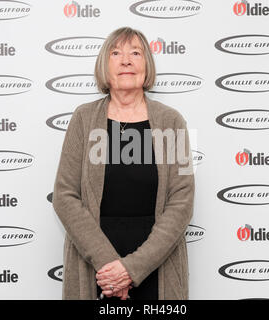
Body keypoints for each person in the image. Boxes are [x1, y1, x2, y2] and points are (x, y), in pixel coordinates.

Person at [52, 27, 195, 300]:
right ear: (105, 66)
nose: (126, 60)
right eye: (116, 53)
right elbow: (64, 196)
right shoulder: (83, 119)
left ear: (147, 65)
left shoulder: (172, 122)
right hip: (97, 268)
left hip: (157, 264)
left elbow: (182, 201)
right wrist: (111, 267)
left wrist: (131, 268)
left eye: (136, 53)